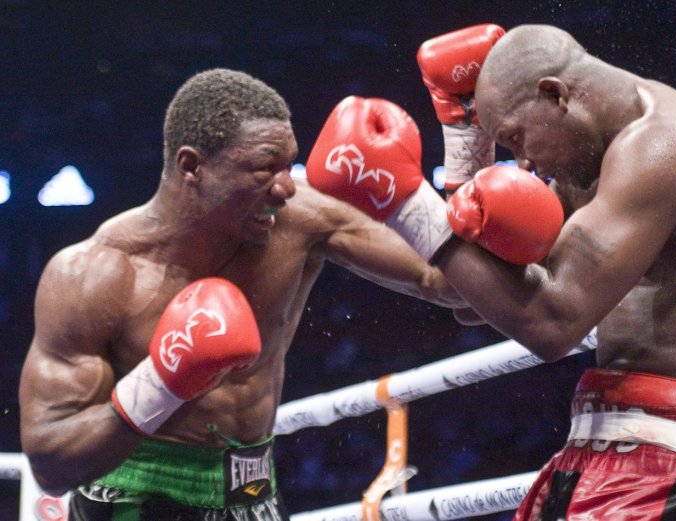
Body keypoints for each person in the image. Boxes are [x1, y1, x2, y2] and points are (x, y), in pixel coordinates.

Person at [305, 24, 676, 520]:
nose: (524, 161)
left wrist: (406, 204)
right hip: (610, 442)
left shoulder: (667, 141)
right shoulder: (586, 162)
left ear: (555, 95)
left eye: (515, 137)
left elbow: (553, 323)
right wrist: (465, 140)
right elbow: (470, 297)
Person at [18, 68, 470, 521]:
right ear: (191, 167)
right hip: (131, 497)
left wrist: (464, 138)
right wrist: (160, 384)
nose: (287, 186)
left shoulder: (302, 219)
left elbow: (450, 284)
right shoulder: (94, 275)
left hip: (251, 491)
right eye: (265, 168)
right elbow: (50, 464)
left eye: (288, 165)